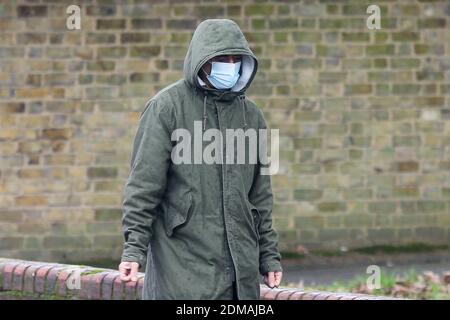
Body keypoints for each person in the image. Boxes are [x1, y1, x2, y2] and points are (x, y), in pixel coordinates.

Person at [118, 18, 282, 300]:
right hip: (181, 270)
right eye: (221, 58)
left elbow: (260, 194)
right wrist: (134, 249)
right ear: (202, 59)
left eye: (235, 59)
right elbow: (144, 187)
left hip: (240, 278)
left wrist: (269, 255)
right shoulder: (166, 108)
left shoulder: (251, 116)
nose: (229, 65)